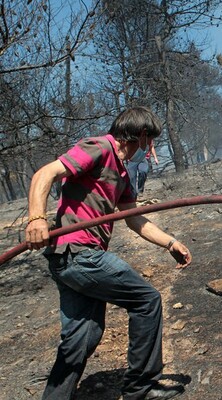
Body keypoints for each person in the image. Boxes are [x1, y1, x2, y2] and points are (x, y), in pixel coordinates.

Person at [25, 106, 193, 400]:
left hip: (71, 260)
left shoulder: (122, 175)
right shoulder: (99, 147)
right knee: (146, 300)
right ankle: (140, 388)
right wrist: (36, 218)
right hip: (79, 253)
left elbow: (134, 218)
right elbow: (46, 172)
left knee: (82, 336)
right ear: (141, 136)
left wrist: (170, 242)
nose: (151, 149)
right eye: (150, 141)